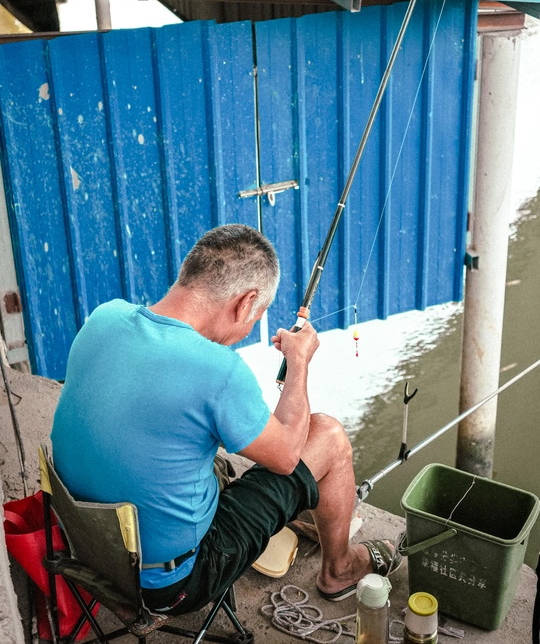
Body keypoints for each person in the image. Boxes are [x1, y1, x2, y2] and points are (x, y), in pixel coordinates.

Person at [51, 224, 399, 614]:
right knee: (329, 436)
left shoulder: (105, 316)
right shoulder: (219, 370)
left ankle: (305, 515)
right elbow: (286, 456)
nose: (249, 328)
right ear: (245, 302)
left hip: (85, 546)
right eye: (256, 316)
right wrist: (299, 361)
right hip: (168, 584)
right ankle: (340, 570)